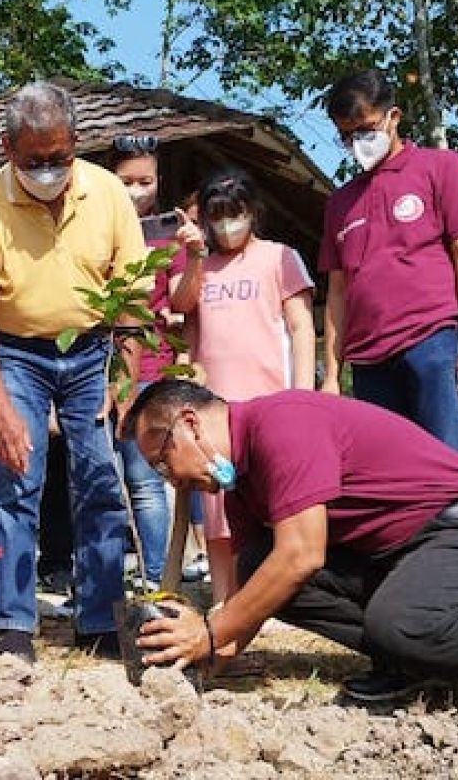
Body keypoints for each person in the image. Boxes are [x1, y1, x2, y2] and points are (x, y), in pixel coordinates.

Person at [126, 379, 458, 717]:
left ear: (189, 422)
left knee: (402, 623)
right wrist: (201, 660)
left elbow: (302, 555)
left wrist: (210, 629)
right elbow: (256, 592)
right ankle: (408, 662)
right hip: (397, 555)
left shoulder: (282, 424)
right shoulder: (239, 485)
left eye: (163, 460)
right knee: (260, 565)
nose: (171, 478)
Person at [0, 81, 147, 662]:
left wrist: (125, 380)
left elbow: (130, 293)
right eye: (35, 161)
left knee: (100, 482)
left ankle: (101, 618)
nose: (49, 171)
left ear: (76, 144)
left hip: (91, 351)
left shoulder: (108, 194)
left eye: (60, 159)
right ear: (8, 147)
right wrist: (0, 407)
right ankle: (10, 623)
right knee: (14, 480)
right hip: (14, 351)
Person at [320, 69, 458, 461]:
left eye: (364, 129)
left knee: (451, 467)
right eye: (346, 135)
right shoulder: (340, 203)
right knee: (392, 477)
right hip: (368, 363)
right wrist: (331, 375)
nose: (357, 143)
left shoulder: (440, 167)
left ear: (392, 117)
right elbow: (337, 293)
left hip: (433, 343)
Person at [172, 168, 315, 605]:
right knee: (217, 516)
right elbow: (180, 305)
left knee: (273, 509)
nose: (227, 226)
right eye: (216, 217)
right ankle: (223, 601)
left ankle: (271, 601)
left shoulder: (280, 257)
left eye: (235, 215)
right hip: (216, 415)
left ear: (253, 212)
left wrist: (304, 397)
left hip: (270, 406)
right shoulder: (203, 268)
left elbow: (301, 327)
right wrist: (195, 256)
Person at [109, 134, 187, 589]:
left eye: (146, 181)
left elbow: (181, 298)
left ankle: (157, 576)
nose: (137, 190)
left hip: (152, 373)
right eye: (126, 181)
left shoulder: (169, 234)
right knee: (99, 481)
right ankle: (100, 575)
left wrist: (193, 256)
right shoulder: (93, 229)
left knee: (144, 481)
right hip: (96, 372)